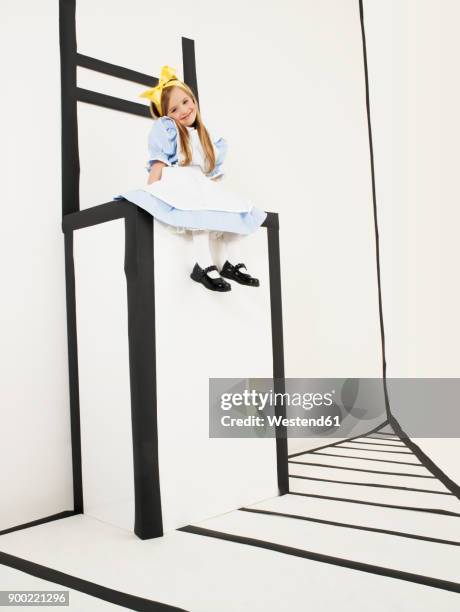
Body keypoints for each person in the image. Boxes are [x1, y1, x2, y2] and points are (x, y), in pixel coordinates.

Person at [115, 65, 267, 292]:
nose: (184, 110)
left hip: (200, 184)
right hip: (181, 182)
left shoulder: (205, 137)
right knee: (198, 212)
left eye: (186, 102)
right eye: (175, 109)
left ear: (193, 100)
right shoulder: (171, 131)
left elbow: (211, 175)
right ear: (168, 117)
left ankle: (230, 261)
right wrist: (152, 194)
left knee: (233, 208)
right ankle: (203, 263)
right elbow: (158, 163)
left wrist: (218, 198)